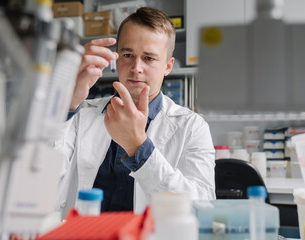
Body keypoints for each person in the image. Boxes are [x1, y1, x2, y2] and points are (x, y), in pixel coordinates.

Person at [53, 7, 215, 218]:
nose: (136, 67)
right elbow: (41, 178)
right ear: (116, 58)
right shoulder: (80, 113)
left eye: (149, 58)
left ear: (168, 66)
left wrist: (139, 148)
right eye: (128, 55)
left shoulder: (193, 126)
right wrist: (67, 104)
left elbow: (202, 207)